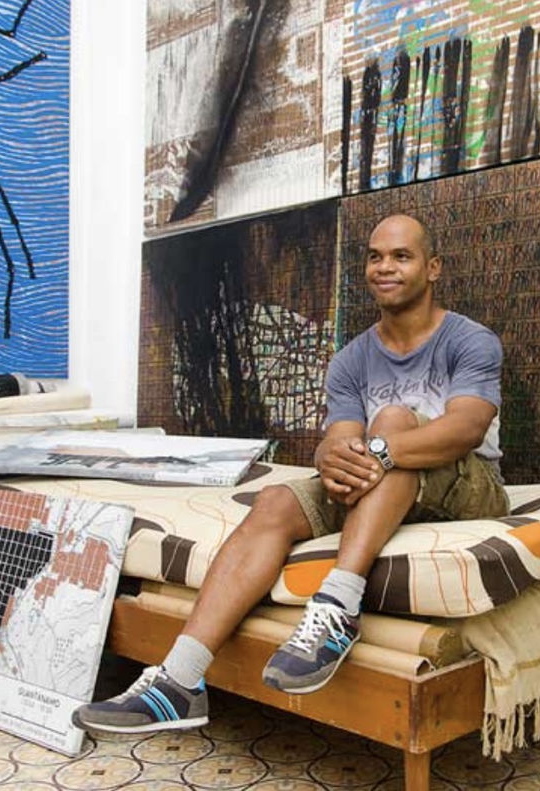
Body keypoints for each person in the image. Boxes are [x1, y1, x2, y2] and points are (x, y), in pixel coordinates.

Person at [73, 213, 508, 734]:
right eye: (375, 256)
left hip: (468, 483)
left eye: (401, 256)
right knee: (277, 499)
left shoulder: (469, 340)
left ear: (432, 268)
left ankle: (338, 606)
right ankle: (178, 682)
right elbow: (342, 438)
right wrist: (330, 454)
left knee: (390, 426)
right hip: (382, 478)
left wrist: (378, 449)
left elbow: (465, 428)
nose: (384, 267)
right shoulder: (351, 359)